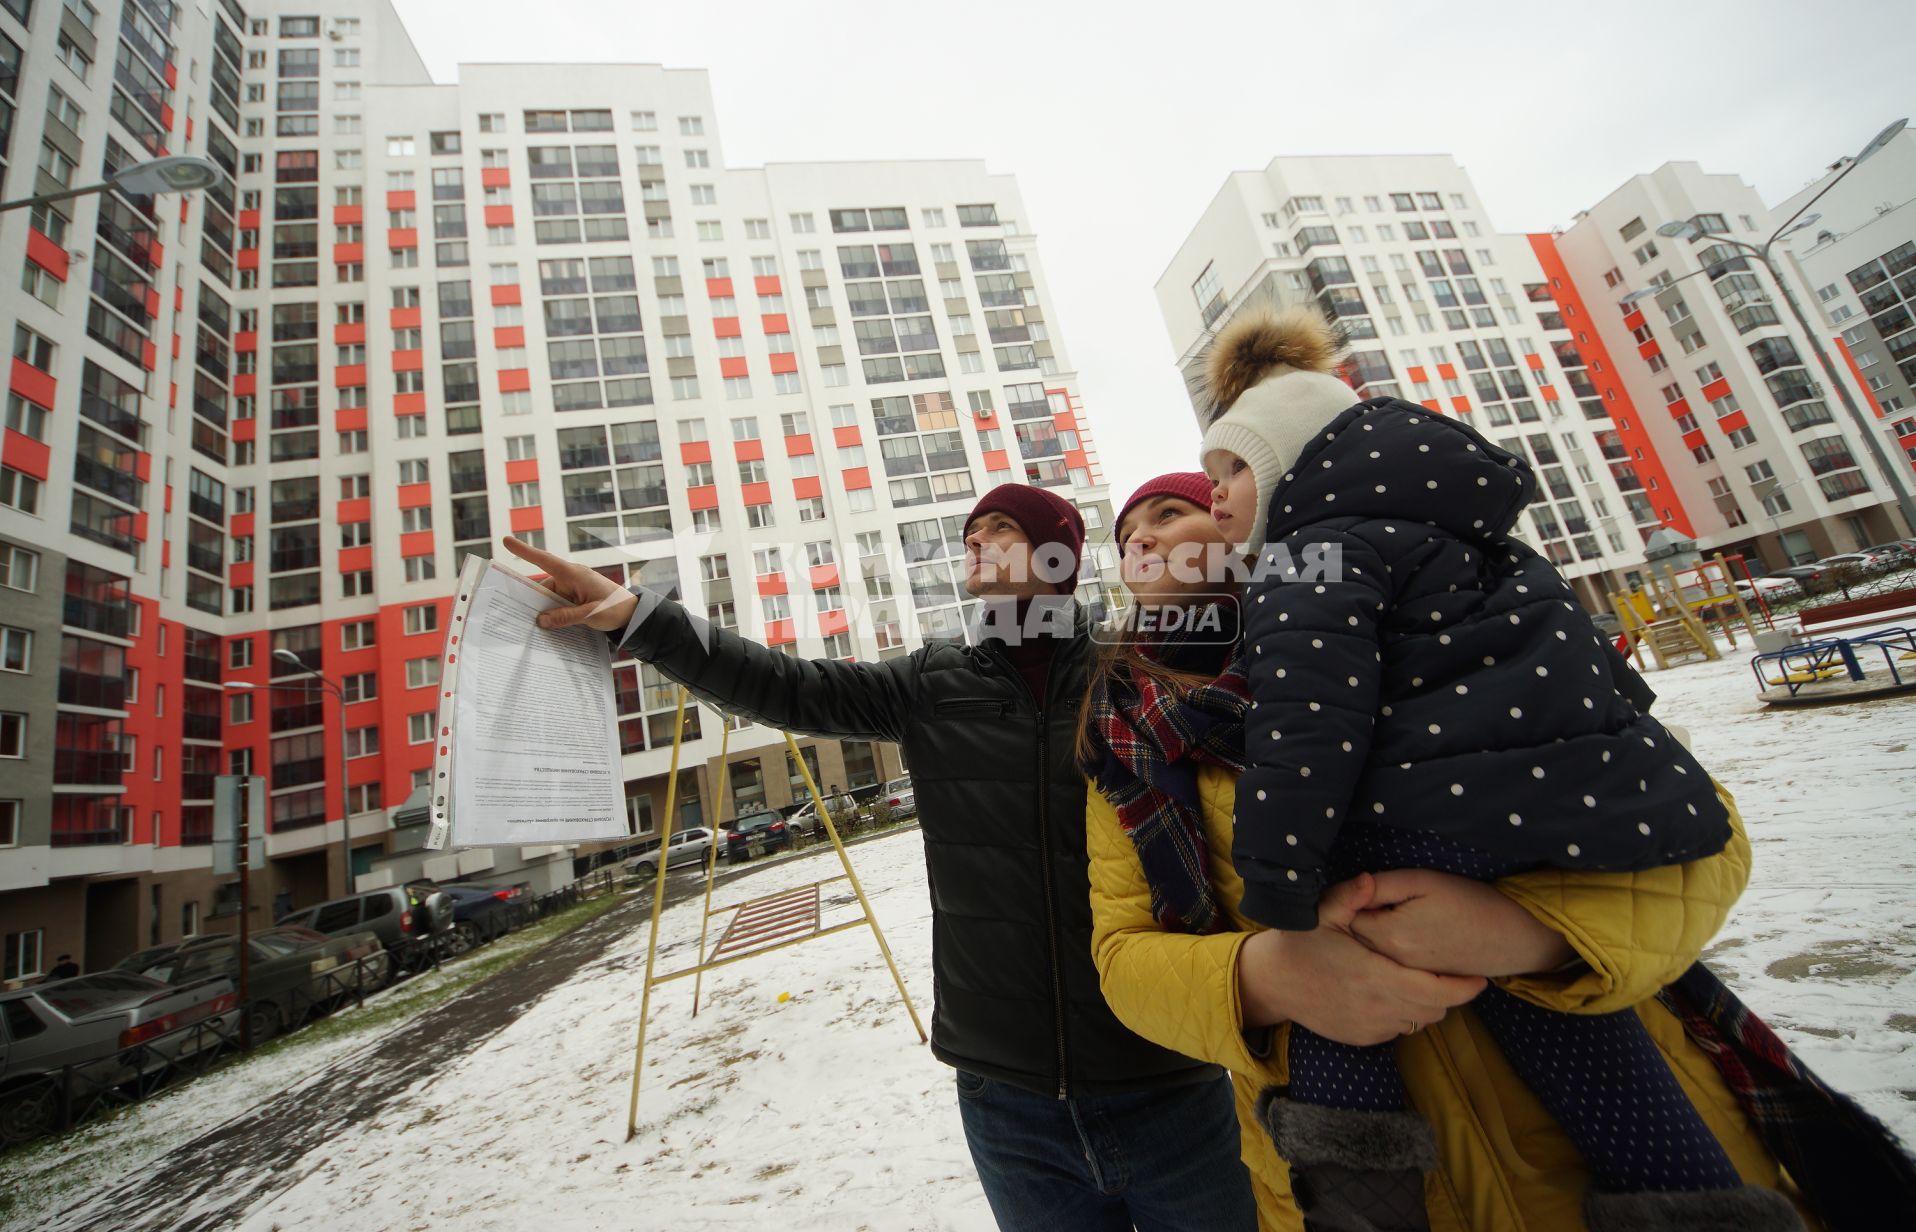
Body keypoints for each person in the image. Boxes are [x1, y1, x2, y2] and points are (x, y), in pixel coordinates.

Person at [505, 484, 1281, 1231]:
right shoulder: (930, 685)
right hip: (1005, 1098)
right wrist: (644, 619)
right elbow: (784, 685)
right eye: (971, 534)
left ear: (1059, 556)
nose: (976, 541)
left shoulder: (1128, 675)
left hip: (1167, 1078)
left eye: (1002, 528)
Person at [1077, 473, 1837, 1230]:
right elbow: (1124, 957)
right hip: (1344, 1172)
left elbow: (1702, 829)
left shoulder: (1431, 631)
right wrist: (1263, 977)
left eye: (1168, 513)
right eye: (1126, 533)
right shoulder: (1128, 739)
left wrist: (1541, 932)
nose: (1138, 536)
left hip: (1634, 1125)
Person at [1191, 305, 1814, 1227]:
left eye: (1231, 468)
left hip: (1416, 827)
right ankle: (1695, 1202)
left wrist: (1282, 893)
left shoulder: (1310, 557)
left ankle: (1362, 1203)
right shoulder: (1488, 547)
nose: (1215, 496)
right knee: (1580, 1039)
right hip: (1553, 827)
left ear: (1290, 464)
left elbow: (1307, 723)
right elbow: (1608, 688)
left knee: (1337, 1005)